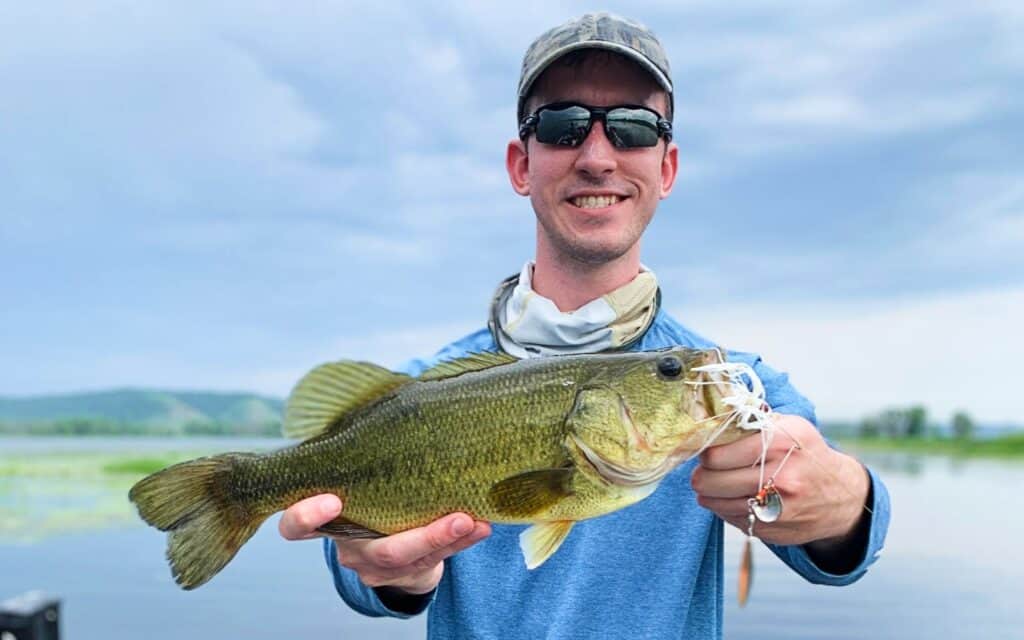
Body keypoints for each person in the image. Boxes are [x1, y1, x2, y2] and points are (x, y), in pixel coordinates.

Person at [279, 12, 890, 639]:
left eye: (632, 128)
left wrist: (846, 501)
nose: (597, 157)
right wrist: (396, 573)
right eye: (563, 126)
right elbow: (358, 572)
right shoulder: (423, 388)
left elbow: (844, 546)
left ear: (667, 168)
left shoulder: (730, 388)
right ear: (521, 164)